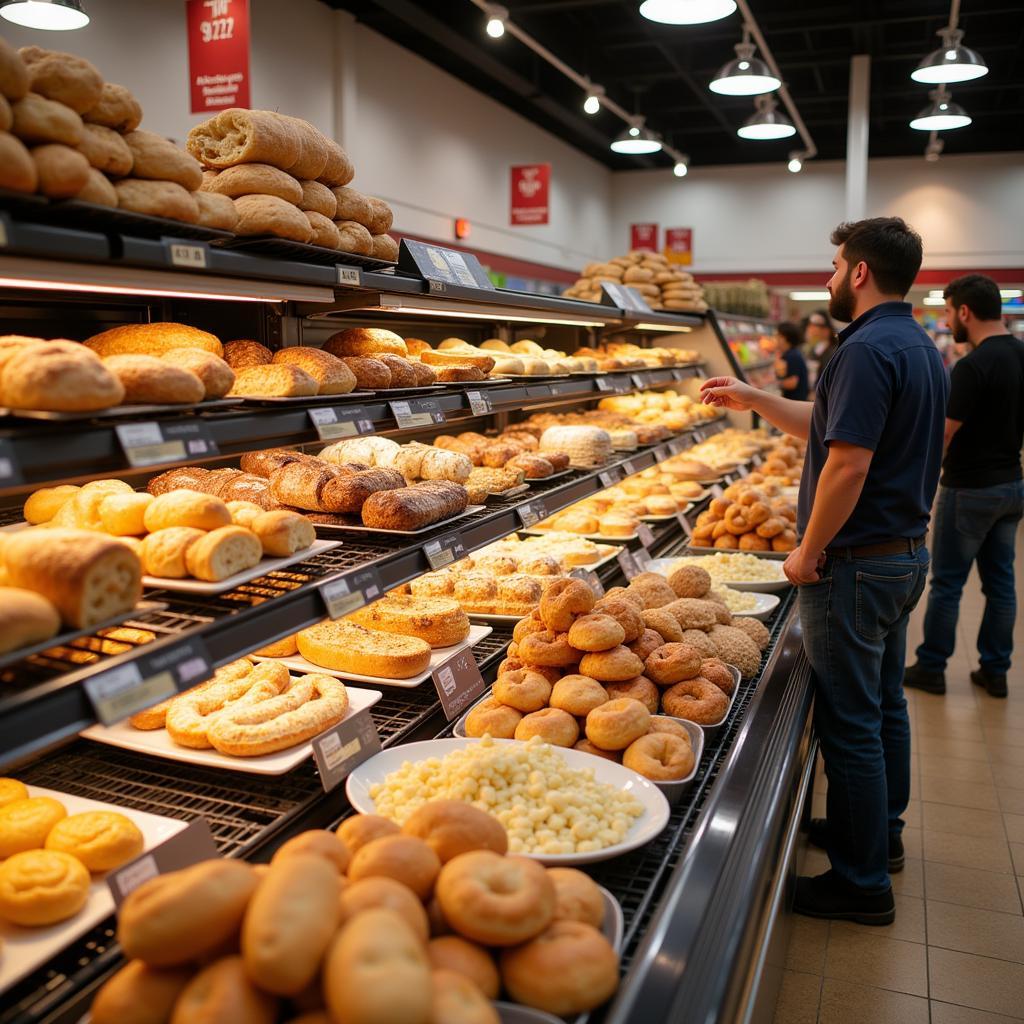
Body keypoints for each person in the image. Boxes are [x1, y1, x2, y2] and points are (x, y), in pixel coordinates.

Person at [700, 217, 947, 926]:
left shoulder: (863, 348)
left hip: (857, 565)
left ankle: (862, 882)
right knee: (884, 706)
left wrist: (807, 551)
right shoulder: (916, 345)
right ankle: (878, 837)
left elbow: (848, 460)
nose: (829, 278)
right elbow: (833, 424)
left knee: (851, 722)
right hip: (901, 556)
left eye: (836, 266)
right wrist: (755, 399)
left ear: (860, 272)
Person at [904, 274, 1024, 699]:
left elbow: (946, 434)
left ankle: (932, 667)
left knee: (948, 583)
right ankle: (995, 671)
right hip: (1011, 484)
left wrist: (918, 486)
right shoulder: (1020, 354)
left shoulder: (972, 366)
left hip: (969, 488)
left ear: (965, 312)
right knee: (1001, 584)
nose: (949, 319)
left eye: (950, 311)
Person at [774, 321, 809, 401]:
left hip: (795, 401)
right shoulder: (791, 353)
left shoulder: (792, 356)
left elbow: (792, 383)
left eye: (778, 336)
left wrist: (772, 384)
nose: (776, 339)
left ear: (785, 338)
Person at [804, 308, 839, 378]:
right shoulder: (815, 347)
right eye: (810, 326)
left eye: (814, 326)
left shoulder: (834, 350)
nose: (810, 329)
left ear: (826, 329)